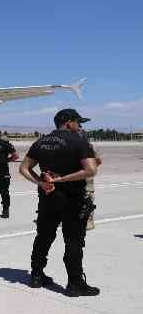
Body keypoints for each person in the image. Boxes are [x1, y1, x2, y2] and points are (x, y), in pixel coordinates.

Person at [19, 109, 99, 296]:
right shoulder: (78, 141)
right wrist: (61, 180)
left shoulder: (41, 142)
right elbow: (91, 170)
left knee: (44, 236)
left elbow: (24, 168)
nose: (79, 126)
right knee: (73, 240)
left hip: (47, 198)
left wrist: (41, 182)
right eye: (78, 122)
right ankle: (75, 283)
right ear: (69, 122)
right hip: (72, 199)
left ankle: (37, 276)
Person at [78, 130, 102, 230]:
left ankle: (88, 222)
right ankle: (87, 222)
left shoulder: (85, 147)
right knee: (87, 201)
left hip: (81, 179)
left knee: (86, 201)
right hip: (85, 179)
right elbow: (99, 161)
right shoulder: (90, 147)